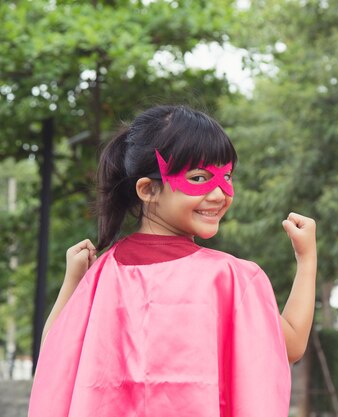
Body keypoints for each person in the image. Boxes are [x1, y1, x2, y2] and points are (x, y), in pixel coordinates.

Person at [28, 105, 316, 417]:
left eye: (227, 176)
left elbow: (55, 357)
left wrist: (74, 281)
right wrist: (306, 259)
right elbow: (292, 345)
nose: (220, 193)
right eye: (199, 177)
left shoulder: (100, 276)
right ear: (148, 189)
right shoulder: (230, 278)